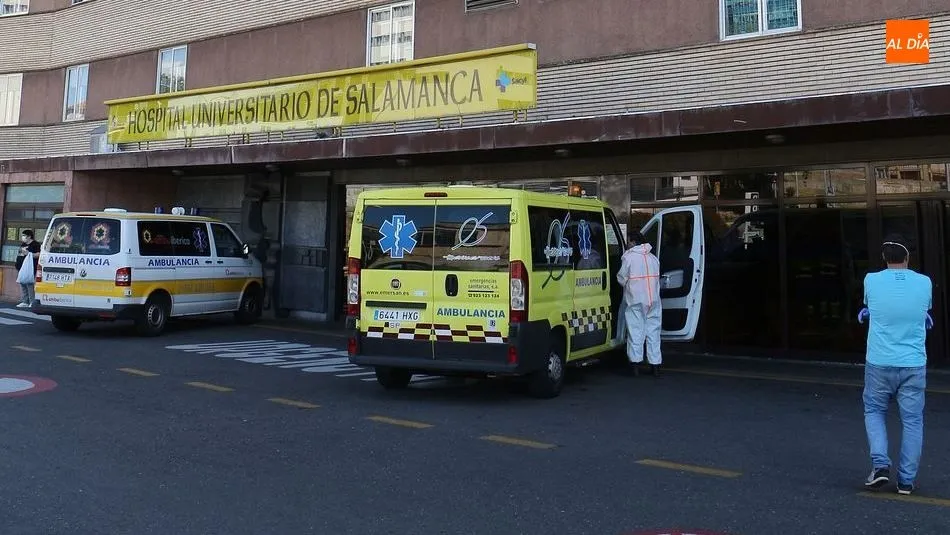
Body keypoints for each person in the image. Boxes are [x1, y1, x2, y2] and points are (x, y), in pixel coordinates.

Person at [857, 236, 932, 495]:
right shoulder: (925, 282)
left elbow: (874, 307)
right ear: (907, 258)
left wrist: (868, 313)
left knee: (874, 411)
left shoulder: (871, 280)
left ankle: (880, 466)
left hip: (879, 361)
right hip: (913, 363)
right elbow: (920, 311)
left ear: (884, 259)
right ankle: (906, 481)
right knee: (912, 421)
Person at [616, 230, 662, 376]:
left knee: (636, 331)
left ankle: (635, 364)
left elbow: (621, 278)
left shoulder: (629, 258)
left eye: (628, 241)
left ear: (633, 242)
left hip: (636, 300)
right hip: (653, 300)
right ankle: (655, 365)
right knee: (653, 332)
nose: (627, 244)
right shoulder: (653, 258)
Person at [15, 230, 41, 309]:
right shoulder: (23, 244)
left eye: (24, 235)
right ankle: (25, 301)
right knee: (22, 283)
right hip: (21, 267)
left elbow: (38, 254)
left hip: (30, 267)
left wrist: (29, 254)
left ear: (29, 236)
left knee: (29, 284)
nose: (23, 237)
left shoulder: (35, 244)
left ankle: (32, 301)